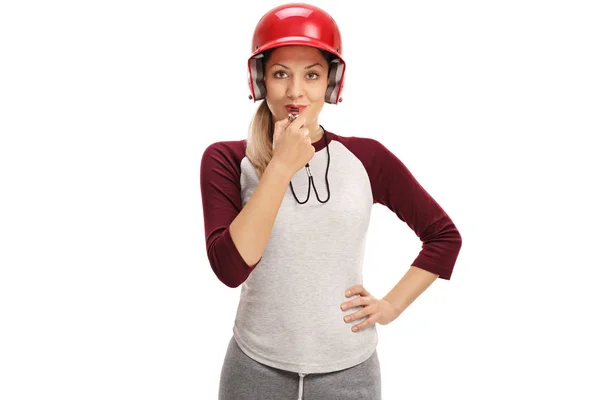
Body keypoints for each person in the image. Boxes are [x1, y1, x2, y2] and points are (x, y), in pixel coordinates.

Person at [199, 3, 463, 399]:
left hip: (349, 374)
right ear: (260, 79)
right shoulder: (225, 159)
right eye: (280, 74)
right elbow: (231, 268)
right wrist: (280, 167)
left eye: (312, 74)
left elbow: (444, 237)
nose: (295, 91)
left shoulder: (367, 158)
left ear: (331, 82)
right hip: (254, 370)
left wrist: (390, 307)